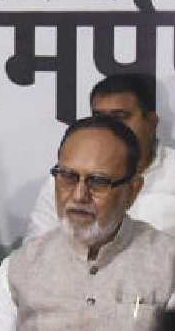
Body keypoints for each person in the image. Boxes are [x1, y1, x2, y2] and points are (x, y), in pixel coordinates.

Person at [0, 116, 175, 331]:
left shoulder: (167, 263)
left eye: (98, 181)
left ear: (133, 191)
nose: (79, 195)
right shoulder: (18, 269)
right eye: (68, 176)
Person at [26, 73, 175, 237]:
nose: (110, 127)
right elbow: (37, 247)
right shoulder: (67, 177)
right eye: (100, 118)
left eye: (120, 117)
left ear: (152, 121)